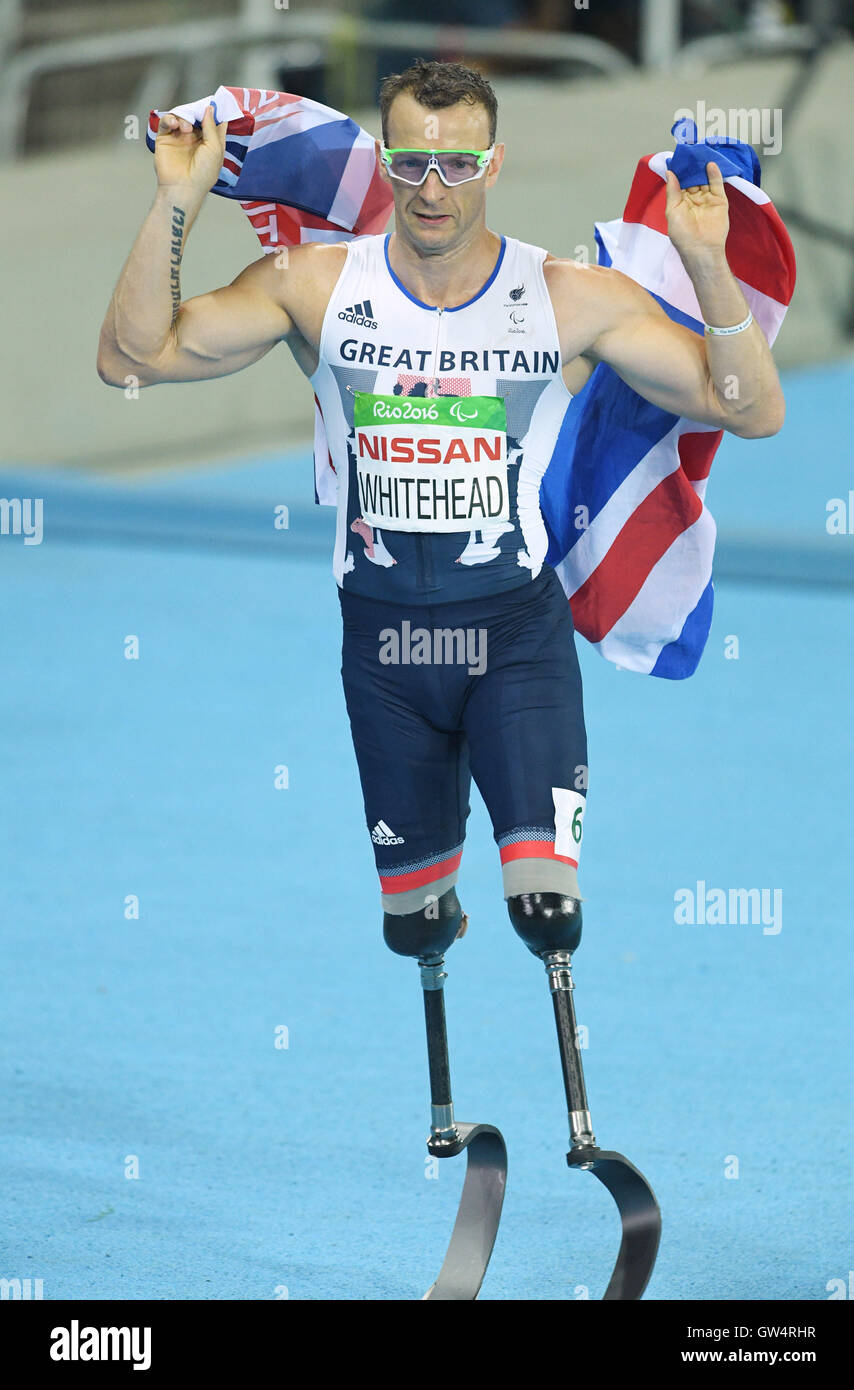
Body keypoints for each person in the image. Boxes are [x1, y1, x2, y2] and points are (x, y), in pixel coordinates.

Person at [97, 57, 784, 991]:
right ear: (384, 161)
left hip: (514, 640)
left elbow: (746, 407)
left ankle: (582, 1133)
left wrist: (703, 263)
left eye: (457, 166)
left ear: (492, 166)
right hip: (383, 651)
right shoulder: (312, 285)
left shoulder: (565, 297)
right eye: (412, 162)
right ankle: (441, 1105)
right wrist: (177, 200)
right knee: (413, 927)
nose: (432, 188)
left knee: (550, 913)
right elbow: (133, 355)